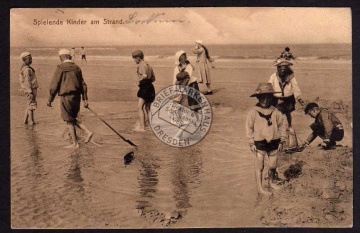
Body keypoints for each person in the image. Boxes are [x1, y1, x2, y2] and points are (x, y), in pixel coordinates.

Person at [246, 83, 287, 195]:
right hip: (259, 143)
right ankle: (260, 188)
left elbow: (283, 126)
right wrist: (251, 142)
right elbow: (249, 128)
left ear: (271, 98)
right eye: (262, 97)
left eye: (268, 97)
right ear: (258, 98)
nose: (265, 100)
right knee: (260, 166)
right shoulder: (253, 112)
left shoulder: (276, 112)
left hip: (274, 142)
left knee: (273, 165)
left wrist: (282, 140)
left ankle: (271, 180)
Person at [47, 48, 93, 148]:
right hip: (77, 97)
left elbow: (54, 85)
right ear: (70, 56)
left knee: (68, 120)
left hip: (66, 97)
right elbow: (83, 85)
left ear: (61, 57)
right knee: (72, 118)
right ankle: (87, 132)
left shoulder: (60, 68)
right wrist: (85, 99)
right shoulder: (77, 68)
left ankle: (75, 143)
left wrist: (50, 99)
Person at [172, 50, 202, 139]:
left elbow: (187, 78)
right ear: (178, 59)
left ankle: (197, 121)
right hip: (181, 88)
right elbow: (174, 80)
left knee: (193, 106)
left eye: (184, 57)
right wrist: (175, 90)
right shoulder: (176, 68)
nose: (183, 59)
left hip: (191, 86)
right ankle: (196, 122)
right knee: (188, 108)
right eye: (181, 58)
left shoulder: (189, 66)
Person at [268, 59, 304, 128]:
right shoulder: (273, 76)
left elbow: (295, 87)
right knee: (276, 113)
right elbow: (269, 86)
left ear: (287, 69)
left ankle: (290, 126)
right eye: (281, 69)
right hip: (277, 98)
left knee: (288, 113)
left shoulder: (290, 77)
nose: (282, 71)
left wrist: (299, 98)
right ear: (278, 68)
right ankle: (277, 126)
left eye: (284, 69)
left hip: (288, 98)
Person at [132, 50, 156, 132]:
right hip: (150, 87)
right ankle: (150, 126)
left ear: (138, 58)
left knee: (139, 107)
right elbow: (153, 78)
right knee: (147, 108)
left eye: (134, 59)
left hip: (145, 88)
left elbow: (144, 76)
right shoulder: (148, 65)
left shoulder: (141, 65)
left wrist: (139, 81)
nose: (134, 61)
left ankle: (142, 127)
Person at [19, 52, 39, 125]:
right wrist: (29, 91)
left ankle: (25, 120)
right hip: (30, 89)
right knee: (31, 105)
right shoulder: (27, 69)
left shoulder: (25, 68)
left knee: (29, 104)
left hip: (29, 89)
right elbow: (27, 81)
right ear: (24, 60)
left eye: (31, 59)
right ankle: (31, 121)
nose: (31, 60)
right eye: (29, 59)